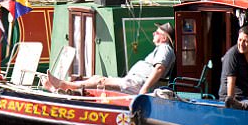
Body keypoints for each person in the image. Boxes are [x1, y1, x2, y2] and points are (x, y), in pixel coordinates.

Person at [42, 23, 176, 95]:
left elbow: (159, 68)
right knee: (97, 79)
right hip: (134, 82)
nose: (153, 33)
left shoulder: (165, 49)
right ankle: (64, 89)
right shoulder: (162, 49)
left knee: (100, 81)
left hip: (137, 83)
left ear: (164, 38)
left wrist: (144, 89)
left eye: (157, 32)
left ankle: (64, 86)